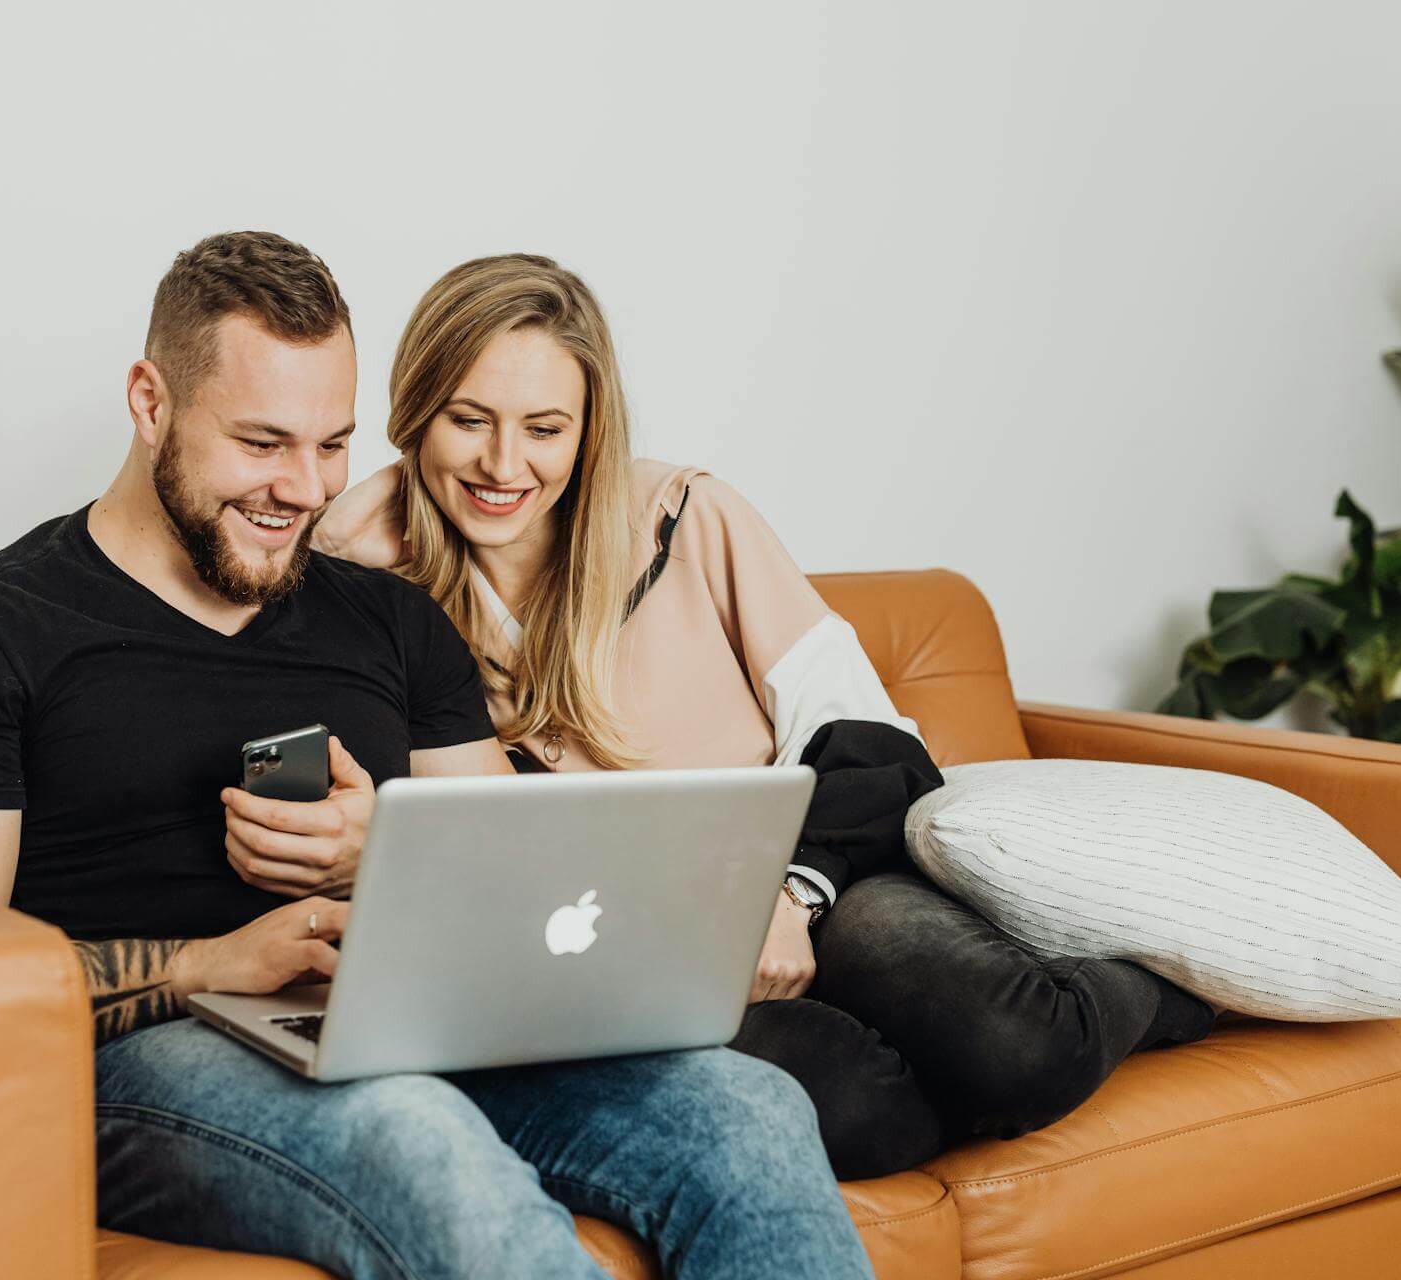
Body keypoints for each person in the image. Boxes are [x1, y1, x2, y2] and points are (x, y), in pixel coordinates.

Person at [0, 231, 875, 1280]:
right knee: (417, 1138)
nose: (304, 489)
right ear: (151, 402)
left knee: (747, 1111)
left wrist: (381, 851)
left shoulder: (391, 619)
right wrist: (208, 964)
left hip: (406, 1023)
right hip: (144, 1058)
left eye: (331, 444)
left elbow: (513, 881)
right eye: (262, 443)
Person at [314, 252, 1217, 1179]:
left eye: (545, 428)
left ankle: (1161, 990)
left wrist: (789, 898)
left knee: (1017, 1048)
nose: (504, 465)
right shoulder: (374, 591)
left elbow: (872, 744)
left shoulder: (687, 518)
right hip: (641, 959)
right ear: (414, 415)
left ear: (589, 431)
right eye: (467, 421)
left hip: (822, 881)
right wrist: (340, 530)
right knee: (855, 1114)